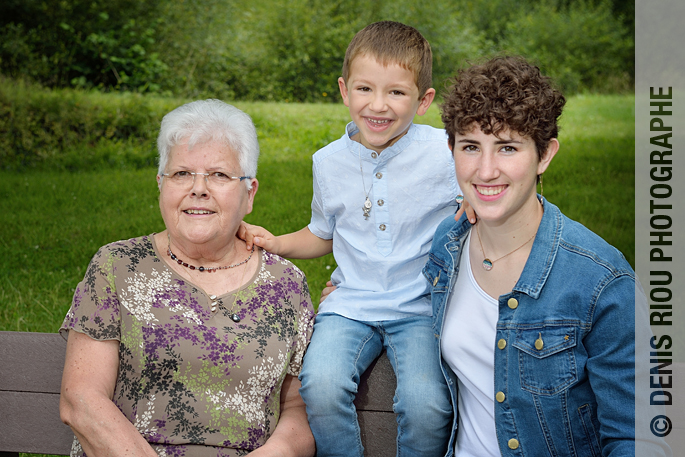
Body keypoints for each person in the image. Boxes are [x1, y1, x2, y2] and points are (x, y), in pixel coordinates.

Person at [239, 21, 457, 457]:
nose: (378, 105)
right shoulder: (328, 162)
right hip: (350, 304)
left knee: (427, 403)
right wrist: (278, 243)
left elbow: (475, 206)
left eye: (396, 92)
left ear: (424, 100)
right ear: (344, 90)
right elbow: (323, 233)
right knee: (319, 385)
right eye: (364, 89)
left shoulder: (445, 153)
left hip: (419, 307)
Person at [59, 99, 316, 457]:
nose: (198, 188)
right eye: (181, 173)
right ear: (161, 185)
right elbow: (81, 400)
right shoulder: (117, 266)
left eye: (219, 175)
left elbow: (298, 412)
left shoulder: (286, 284)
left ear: (249, 193)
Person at [423, 56, 636, 456]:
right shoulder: (448, 245)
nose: (485, 171)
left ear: (544, 155)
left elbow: (636, 435)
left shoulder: (601, 283)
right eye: (471, 147)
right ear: (451, 148)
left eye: (507, 148)